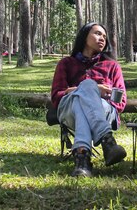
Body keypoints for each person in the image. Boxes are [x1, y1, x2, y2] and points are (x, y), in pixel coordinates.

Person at [50, 22, 127, 177]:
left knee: (82, 102)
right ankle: (107, 140)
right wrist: (91, 89)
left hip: (104, 110)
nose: (102, 39)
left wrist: (97, 94)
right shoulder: (66, 63)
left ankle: (82, 158)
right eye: (97, 33)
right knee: (86, 87)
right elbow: (57, 96)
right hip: (68, 111)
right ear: (84, 36)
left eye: (104, 36)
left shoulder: (112, 66)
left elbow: (121, 101)